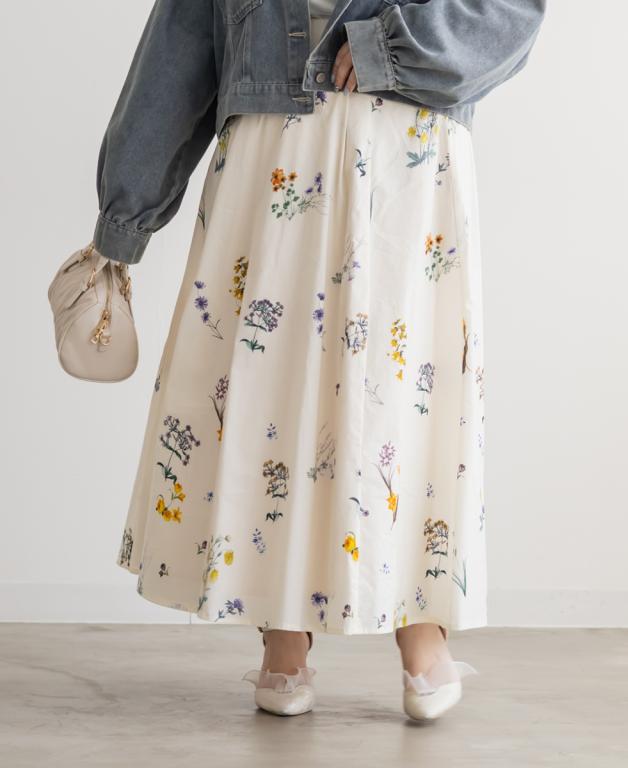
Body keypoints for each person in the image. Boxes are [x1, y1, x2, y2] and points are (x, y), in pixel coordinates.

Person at [94, 0, 546, 720]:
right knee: (271, 394)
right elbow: (181, 42)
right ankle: (283, 629)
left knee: (401, 398)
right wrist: (125, 215)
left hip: (406, 147)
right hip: (271, 152)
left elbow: (509, 10)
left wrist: (391, 49)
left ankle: (420, 625)